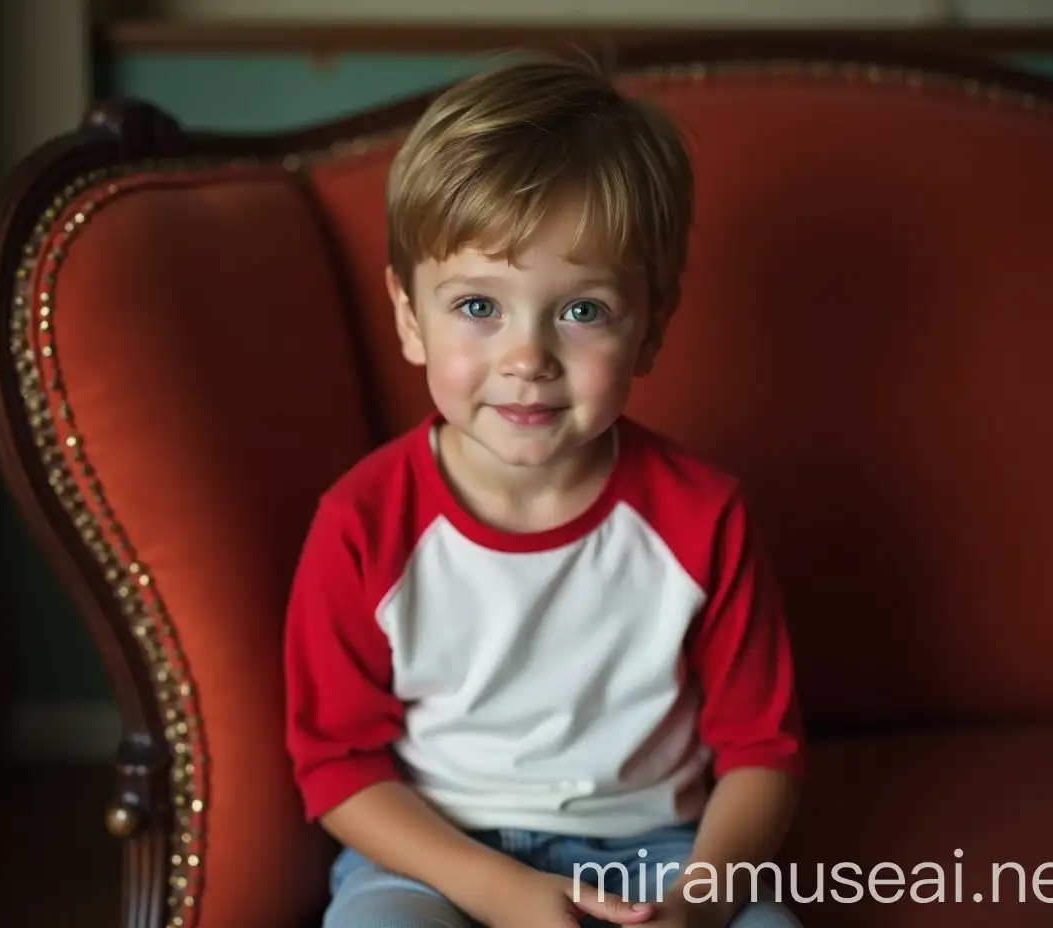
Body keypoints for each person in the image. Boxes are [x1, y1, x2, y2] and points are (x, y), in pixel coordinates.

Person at [283, 52, 807, 928]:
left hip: (663, 854)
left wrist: (697, 906)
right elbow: (338, 767)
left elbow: (764, 752)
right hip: (438, 854)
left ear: (650, 328)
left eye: (582, 311)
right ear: (410, 318)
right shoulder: (361, 525)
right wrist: (499, 892)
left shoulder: (703, 516)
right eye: (479, 307)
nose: (527, 359)